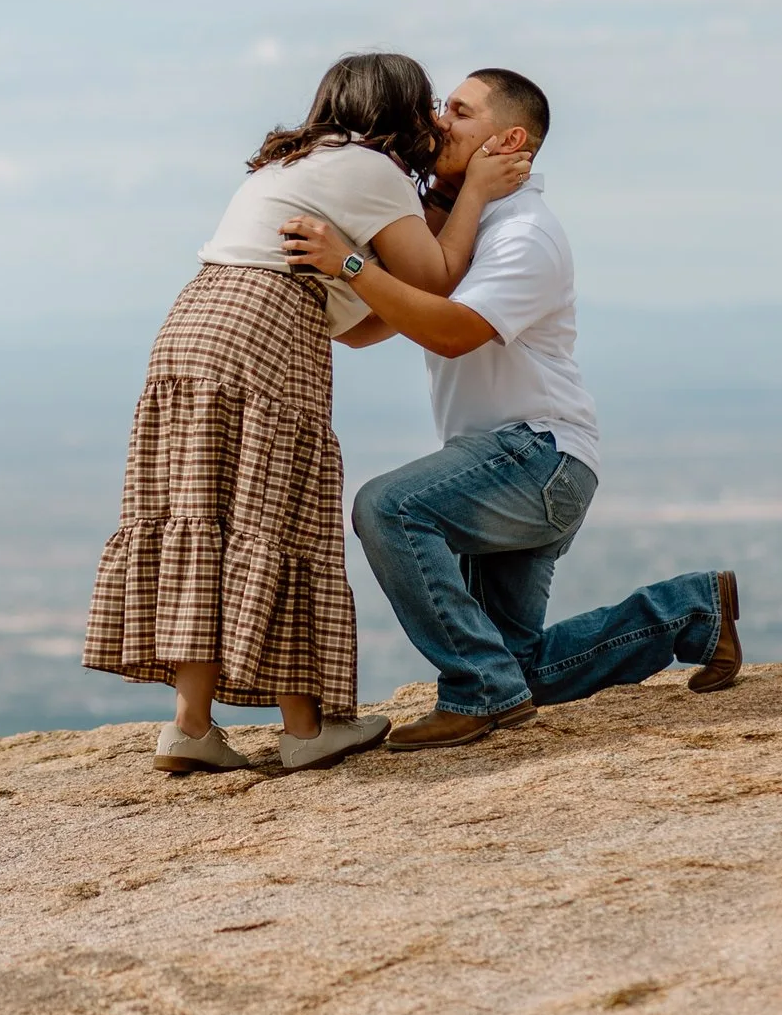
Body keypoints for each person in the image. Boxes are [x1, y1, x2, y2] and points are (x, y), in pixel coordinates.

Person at [86, 52, 531, 775]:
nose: (431, 120)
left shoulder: (292, 163)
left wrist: (372, 272)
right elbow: (439, 278)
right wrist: (474, 191)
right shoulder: (373, 170)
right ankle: (304, 730)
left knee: (206, 515)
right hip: (266, 332)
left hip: (195, 322)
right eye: (424, 104)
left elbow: (363, 319)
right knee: (286, 514)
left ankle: (191, 727)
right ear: (392, 111)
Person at [279, 68, 740, 749]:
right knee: (519, 666)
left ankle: (477, 692)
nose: (436, 120)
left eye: (459, 112)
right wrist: (366, 259)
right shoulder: (470, 229)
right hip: (502, 464)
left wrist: (351, 265)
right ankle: (692, 611)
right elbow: (367, 326)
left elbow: (453, 329)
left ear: (509, 138)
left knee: (387, 506)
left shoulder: (524, 233)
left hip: (536, 457)